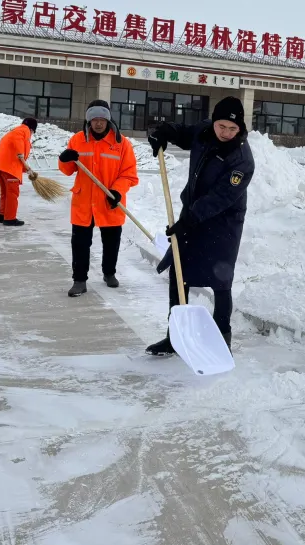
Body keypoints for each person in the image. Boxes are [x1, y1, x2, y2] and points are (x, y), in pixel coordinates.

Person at [144, 96, 255, 355]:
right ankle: (175, 336)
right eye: (222, 126)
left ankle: (221, 339)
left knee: (220, 279)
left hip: (224, 222)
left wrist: (189, 220)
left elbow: (221, 197)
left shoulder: (242, 160)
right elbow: (185, 134)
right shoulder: (205, 130)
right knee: (179, 273)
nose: (226, 133)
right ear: (214, 122)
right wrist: (165, 132)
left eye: (233, 129)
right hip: (192, 213)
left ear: (241, 129)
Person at [57, 100, 139, 297]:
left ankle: (109, 273)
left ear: (108, 120)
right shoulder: (77, 140)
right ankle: (79, 280)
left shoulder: (121, 144)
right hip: (84, 202)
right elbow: (68, 171)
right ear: (89, 120)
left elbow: (130, 174)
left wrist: (117, 191)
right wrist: (64, 159)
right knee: (80, 244)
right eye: (94, 119)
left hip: (109, 201)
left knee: (111, 242)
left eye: (102, 119)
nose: (98, 123)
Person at [0, 117, 37, 227]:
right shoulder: (24, 131)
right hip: (10, 168)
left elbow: (12, 151)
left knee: (6, 193)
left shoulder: (14, 131)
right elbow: (18, 146)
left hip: (0, 167)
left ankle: (2, 216)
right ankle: (10, 218)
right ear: (32, 129)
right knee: (12, 194)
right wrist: (21, 154)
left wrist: (26, 168)